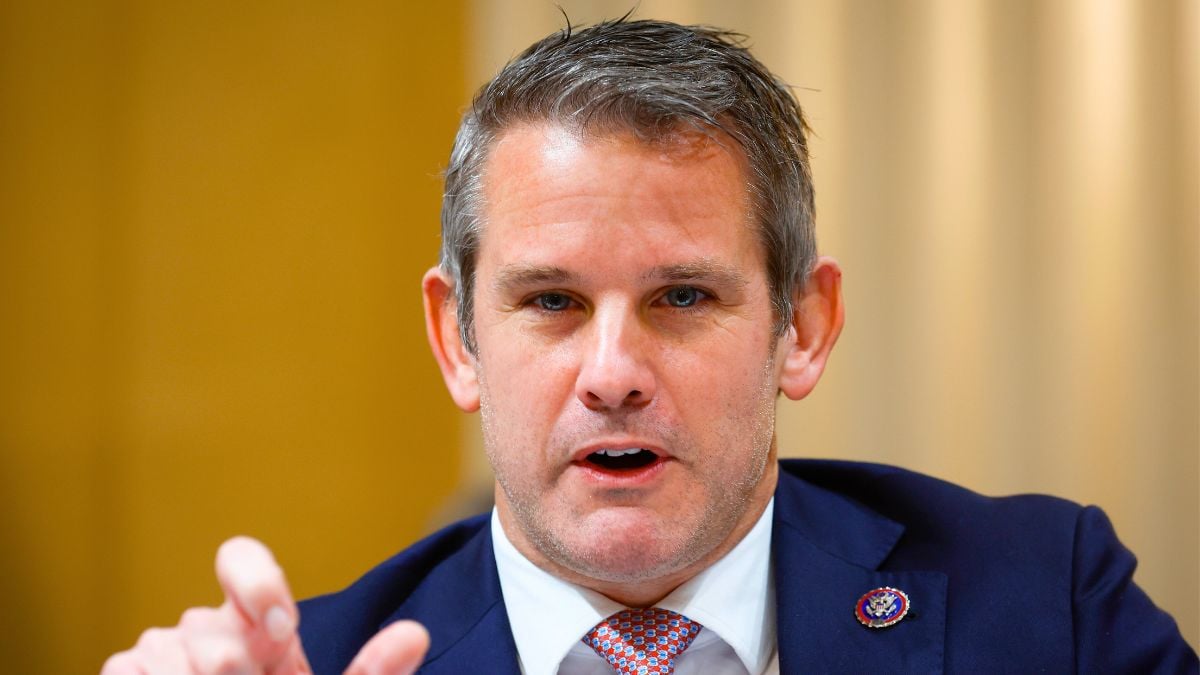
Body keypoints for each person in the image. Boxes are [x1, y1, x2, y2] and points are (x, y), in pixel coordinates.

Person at [102, 18, 1197, 675]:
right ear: (458, 342)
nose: (614, 373)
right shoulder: (327, 666)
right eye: (551, 303)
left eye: (680, 296)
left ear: (800, 329)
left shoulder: (1044, 606)